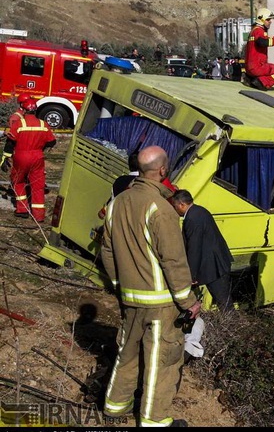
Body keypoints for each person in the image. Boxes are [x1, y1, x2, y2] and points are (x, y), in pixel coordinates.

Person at [100, 146, 201, 427]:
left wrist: (120, 286)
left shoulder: (117, 203)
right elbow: (173, 260)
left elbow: (106, 252)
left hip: (130, 299)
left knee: (127, 355)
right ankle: (154, 420)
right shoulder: (161, 209)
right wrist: (188, 302)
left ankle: (114, 408)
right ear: (163, 170)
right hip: (160, 305)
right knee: (162, 364)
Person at [170, 190, 234, 312]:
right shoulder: (199, 211)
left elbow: (194, 249)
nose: (174, 209)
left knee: (224, 303)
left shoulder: (192, 218)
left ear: (182, 204)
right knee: (224, 301)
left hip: (214, 267)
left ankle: (233, 322)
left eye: (175, 206)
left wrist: (191, 275)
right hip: (216, 263)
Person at [2, 99, 56, 222]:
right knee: (38, 185)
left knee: (18, 182)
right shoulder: (43, 124)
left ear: (24, 110)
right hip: (37, 157)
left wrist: (5, 158)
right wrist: (40, 147)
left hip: (21, 156)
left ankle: (22, 210)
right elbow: (52, 141)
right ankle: (39, 216)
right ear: (35, 110)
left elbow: (10, 142)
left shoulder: (19, 124)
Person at [244, 7, 274, 90]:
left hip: (250, 67)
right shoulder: (259, 31)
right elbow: (262, 42)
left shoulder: (253, 31)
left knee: (271, 68)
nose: (270, 22)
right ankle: (262, 82)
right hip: (257, 67)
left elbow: (264, 40)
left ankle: (252, 79)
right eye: (268, 20)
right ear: (261, 20)